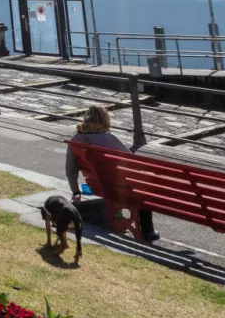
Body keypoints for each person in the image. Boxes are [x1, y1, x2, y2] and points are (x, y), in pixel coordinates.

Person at [66, 104, 159, 242]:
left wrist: (75, 191)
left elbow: (70, 170)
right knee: (143, 192)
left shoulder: (75, 140)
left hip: (98, 187)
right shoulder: (110, 138)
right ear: (104, 119)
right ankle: (148, 231)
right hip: (118, 189)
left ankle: (118, 219)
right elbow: (132, 160)